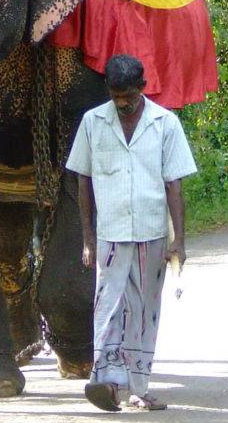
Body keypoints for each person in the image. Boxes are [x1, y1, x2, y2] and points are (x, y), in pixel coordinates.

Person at [66, 54, 197, 412]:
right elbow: (83, 183)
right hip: (111, 234)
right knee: (108, 307)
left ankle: (139, 388)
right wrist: (88, 239)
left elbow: (175, 186)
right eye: (116, 95)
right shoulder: (93, 123)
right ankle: (106, 381)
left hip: (152, 235)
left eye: (129, 95)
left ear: (142, 87)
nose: (123, 103)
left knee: (144, 310)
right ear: (108, 89)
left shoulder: (165, 124)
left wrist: (179, 241)